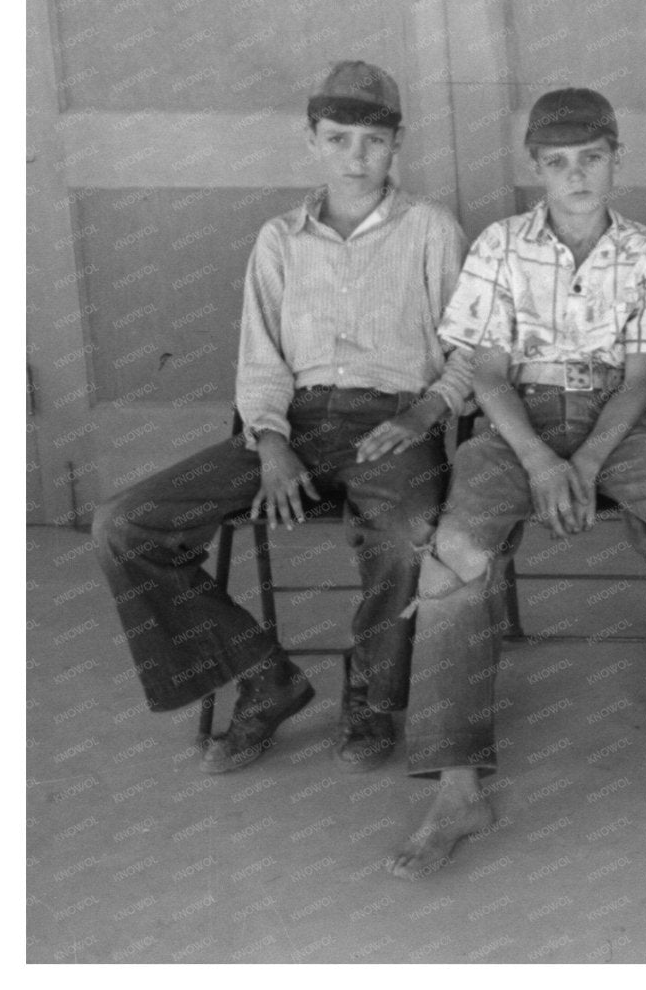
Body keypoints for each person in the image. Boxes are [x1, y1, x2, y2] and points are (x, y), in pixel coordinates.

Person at [388, 87, 646, 879]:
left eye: (592, 159)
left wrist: (585, 460)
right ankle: (458, 787)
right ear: (535, 167)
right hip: (513, 426)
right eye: (558, 163)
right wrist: (542, 460)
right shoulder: (501, 245)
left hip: (609, 419)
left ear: (616, 160)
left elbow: (641, 379)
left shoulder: (645, 251)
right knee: (456, 552)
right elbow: (492, 374)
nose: (576, 176)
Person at [94, 61, 472, 774]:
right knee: (123, 523)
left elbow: (472, 350)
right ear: (311, 141)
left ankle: (371, 694)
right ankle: (265, 676)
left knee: (406, 534)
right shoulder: (279, 239)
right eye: (338, 139)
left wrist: (425, 412)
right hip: (290, 425)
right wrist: (269, 441)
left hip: (395, 423)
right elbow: (260, 362)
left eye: (372, 141)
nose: (355, 158)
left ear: (398, 144)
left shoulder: (431, 229)